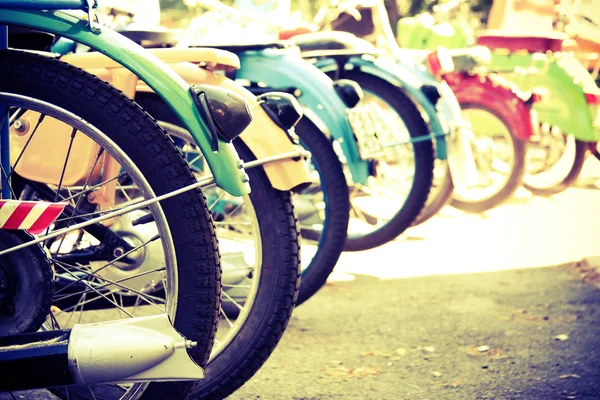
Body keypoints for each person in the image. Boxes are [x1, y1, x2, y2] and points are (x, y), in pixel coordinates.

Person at [487, 0, 557, 33]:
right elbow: (497, 13)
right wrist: (491, 40)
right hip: (511, 38)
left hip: (540, 40)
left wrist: (530, 6)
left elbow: (558, 11)